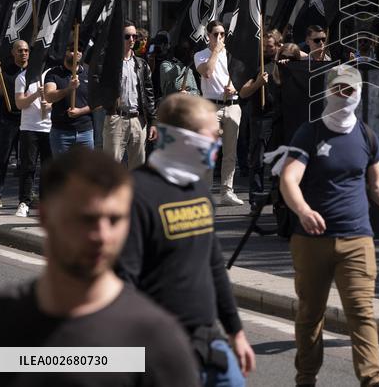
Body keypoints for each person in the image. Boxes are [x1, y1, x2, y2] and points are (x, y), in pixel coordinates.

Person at [0, 148, 201, 386]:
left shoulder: (157, 339)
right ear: (45, 217)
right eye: (86, 219)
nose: (102, 235)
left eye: (115, 219)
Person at [279, 64, 379, 387]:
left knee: (362, 313)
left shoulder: (366, 135)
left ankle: (373, 380)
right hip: (311, 241)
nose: (343, 96)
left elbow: (378, 187)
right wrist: (303, 209)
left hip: (357, 240)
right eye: (338, 89)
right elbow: (289, 179)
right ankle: (305, 378)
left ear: (359, 93)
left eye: (349, 90)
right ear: (327, 91)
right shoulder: (310, 132)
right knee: (310, 315)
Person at [116, 94, 256, 385]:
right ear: (183, 138)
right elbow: (122, 282)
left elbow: (214, 264)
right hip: (159, 348)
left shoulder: (200, 191)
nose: (217, 143)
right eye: (211, 135)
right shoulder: (134, 195)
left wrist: (236, 331)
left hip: (207, 340)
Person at [194, 19, 243, 206]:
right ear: (208, 36)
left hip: (232, 105)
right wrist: (215, 50)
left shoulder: (232, 56)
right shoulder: (201, 54)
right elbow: (207, 72)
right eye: (216, 34)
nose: (220, 37)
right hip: (210, 106)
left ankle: (227, 191)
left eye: (223, 34)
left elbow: (241, 79)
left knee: (230, 153)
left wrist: (235, 89)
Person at [104, 20, 158, 168]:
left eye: (135, 36)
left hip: (138, 120)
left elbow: (149, 93)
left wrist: (153, 121)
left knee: (138, 168)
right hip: (116, 118)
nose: (132, 40)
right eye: (127, 36)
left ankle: (134, 192)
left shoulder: (141, 64)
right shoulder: (110, 63)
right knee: (111, 168)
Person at [0, 40, 27, 210]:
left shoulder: (34, 72)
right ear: (12, 52)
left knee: (27, 162)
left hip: (27, 121)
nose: (23, 53)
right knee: (1, 159)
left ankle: (26, 196)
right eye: (19, 50)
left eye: (25, 50)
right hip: (7, 120)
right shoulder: (4, 71)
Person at [13, 46, 53, 217]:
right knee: (28, 167)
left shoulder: (50, 76)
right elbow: (19, 104)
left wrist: (50, 104)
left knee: (48, 167)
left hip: (49, 127)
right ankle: (24, 202)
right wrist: (36, 94)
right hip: (29, 128)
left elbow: (57, 99)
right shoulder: (22, 78)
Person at [244, 31, 279, 210]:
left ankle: (277, 201)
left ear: (278, 46)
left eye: (270, 46)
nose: (266, 49)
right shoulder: (255, 66)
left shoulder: (284, 64)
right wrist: (257, 84)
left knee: (278, 161)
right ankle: (255, 201)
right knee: (257, 161)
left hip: (279, 118)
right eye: (264, 46)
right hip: (260, 117)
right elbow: (243, 92)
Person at [45, 48, 95, 154]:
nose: (77, 52)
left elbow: (98, 102)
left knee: (86, 169)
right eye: (72, 49)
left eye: (80, 50)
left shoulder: (89, 72)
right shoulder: (54, 73)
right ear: (65, 52)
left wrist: (80, 111)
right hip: (61, 133)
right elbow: (49, 97)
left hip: (85, 132)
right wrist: (69, 89)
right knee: (63, 170)